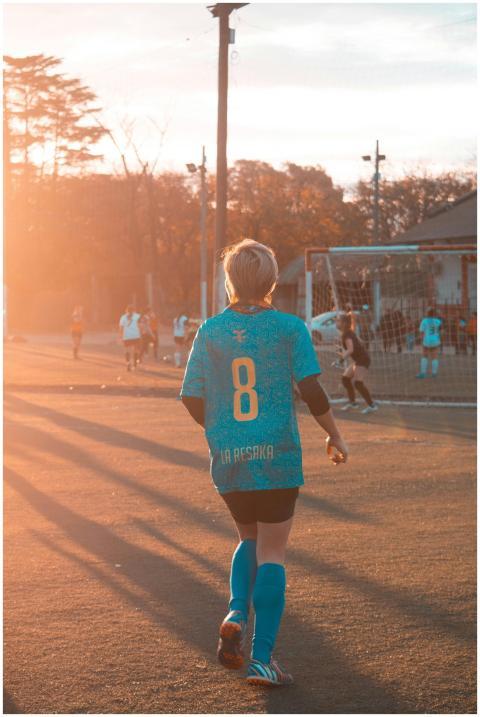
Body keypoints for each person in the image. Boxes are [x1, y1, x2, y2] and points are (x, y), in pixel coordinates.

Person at [180, 238, 348, 687]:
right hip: (276, 454)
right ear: (272, 280)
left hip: (230, 457)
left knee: (248, 538)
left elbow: (190, 395)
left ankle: (236, 610)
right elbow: (311, 390)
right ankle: (261, 660)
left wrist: (220, 431)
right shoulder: (290, 328)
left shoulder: (210, 330)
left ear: (230, 280)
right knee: (273, 550)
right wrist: (334, 434)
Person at [337, 312, 378, 414]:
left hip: (363, 359)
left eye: (338, 321)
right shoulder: (348, 332)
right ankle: (353, 403)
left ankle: (372, 405)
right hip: (359, 359)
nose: (336, 323)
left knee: (358, 383)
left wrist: (341, 360)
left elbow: (350, 349)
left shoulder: (347, 334)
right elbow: (357, 344)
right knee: (345, 379)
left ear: (344, 323)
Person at [416, 308, 442, 378]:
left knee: (424, 356)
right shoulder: (438, 321)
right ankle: (434, 373)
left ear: (427, 314)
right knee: (434, 357)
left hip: (427, 340)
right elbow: (441, 330)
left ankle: (423, 373)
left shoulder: (424, 321)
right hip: (435, 340)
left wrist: (422, 340)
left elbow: (421, 332)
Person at [118, 304, 141, 371]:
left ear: (126, 310)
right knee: (135, 350)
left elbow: (121, 327)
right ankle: (135, 364)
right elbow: (141, 325)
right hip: (136, 336)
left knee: (127, 350)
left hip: (126, 336)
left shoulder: (123, 317)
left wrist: (120, 336)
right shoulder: (137, 316)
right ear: (134, 310)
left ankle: (128, 363)